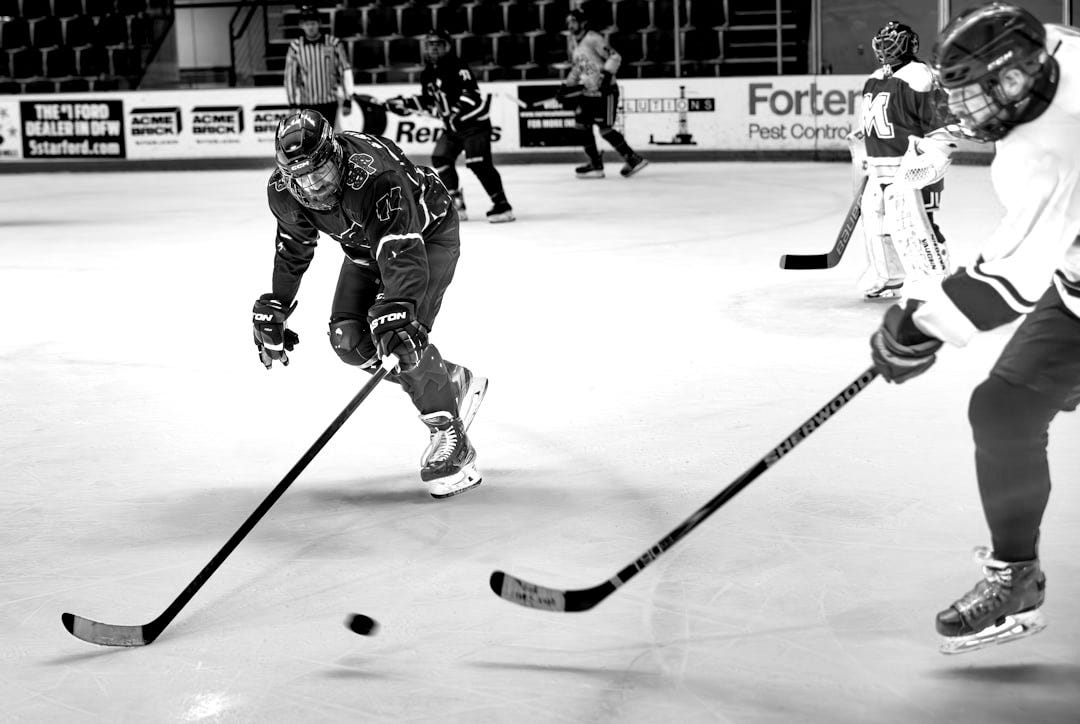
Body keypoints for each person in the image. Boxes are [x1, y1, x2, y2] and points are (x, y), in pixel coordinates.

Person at [869, 2, 1080, 654]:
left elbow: (1009, 283)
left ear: (1016, 81)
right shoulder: (1052, 52)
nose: (966, 113)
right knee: (1004, 411)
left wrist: (917, 326)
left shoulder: (1058, 143)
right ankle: (1016, 576)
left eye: (977, 96)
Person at [252, 109, 488, 499]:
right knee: (348, 340)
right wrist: (277, 302)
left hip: (426, 237)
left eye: (320, 171)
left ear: (336, 156)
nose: (313, 185)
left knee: (397, 335)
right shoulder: (283, 189)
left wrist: (399, 309)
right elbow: (294, 248)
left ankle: (450, 435)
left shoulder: (375, 178)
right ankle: (446, 380)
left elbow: (402, 251)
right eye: (302, 176)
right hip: (365, 248)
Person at [850, 20, 954, 300]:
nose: (886, 50)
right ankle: (890, 277)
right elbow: (882, 117)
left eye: (892, 43)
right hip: (879, 167)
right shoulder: (874, 78)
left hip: (910, 168)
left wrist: (932, 160)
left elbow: (942, 127)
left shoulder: (920, 77)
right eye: (883, 44)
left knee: (918, 225)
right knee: (877, 223)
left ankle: (936, 280)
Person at [384, 29, 514, 223]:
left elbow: (471, 94)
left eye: (438, 44)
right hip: (453, 129)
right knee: (440, 157)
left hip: (474, 125)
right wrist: (404, 104)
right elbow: (429, 101)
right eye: (430, 44)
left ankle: (503, 205)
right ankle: (456, 201)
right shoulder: (428, 72)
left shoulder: (458, 66)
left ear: (448, 46)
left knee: (478, 163)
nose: (433, 48)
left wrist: (453, 115)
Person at [557, 9, 648, 179]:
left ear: (582, 23)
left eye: (573, 21)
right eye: (568, 21)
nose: (570, 25)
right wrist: (567, 86)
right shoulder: (573, 43)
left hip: (606, 91)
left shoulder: (593, 38)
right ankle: (595, 165)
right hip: (589, 92)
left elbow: (615, 56)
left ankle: (633, 158)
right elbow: (578, 67)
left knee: (605, 129)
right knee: (581, 125)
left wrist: (606, 78)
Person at [284, 5, 354, 129]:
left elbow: (345, 71)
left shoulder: (333, 43)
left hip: (330, 102)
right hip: (307, 103)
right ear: (302, 25)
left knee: (329, 138)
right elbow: (290, 77)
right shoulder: (295, 47)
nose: (310, 27)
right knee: (310, 139)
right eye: (307, 24)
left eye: (313, 23)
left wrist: (348, 100)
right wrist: (292, 104)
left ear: (319, 23)